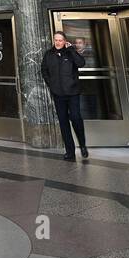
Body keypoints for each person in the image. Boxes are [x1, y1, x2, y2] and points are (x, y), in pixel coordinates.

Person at [41, 30, 88, 161]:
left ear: (65, 41)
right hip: (58, 94)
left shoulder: (70, 52)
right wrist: (51, 84)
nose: (57, 42)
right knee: (63, 122)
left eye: (60, 40)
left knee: (76, 118)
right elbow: (44, 70)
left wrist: (72, 50)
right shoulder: (49, 54)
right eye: (56, 40)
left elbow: (81, 63)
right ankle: (70, 151)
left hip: (73, 93)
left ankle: (82, 144)